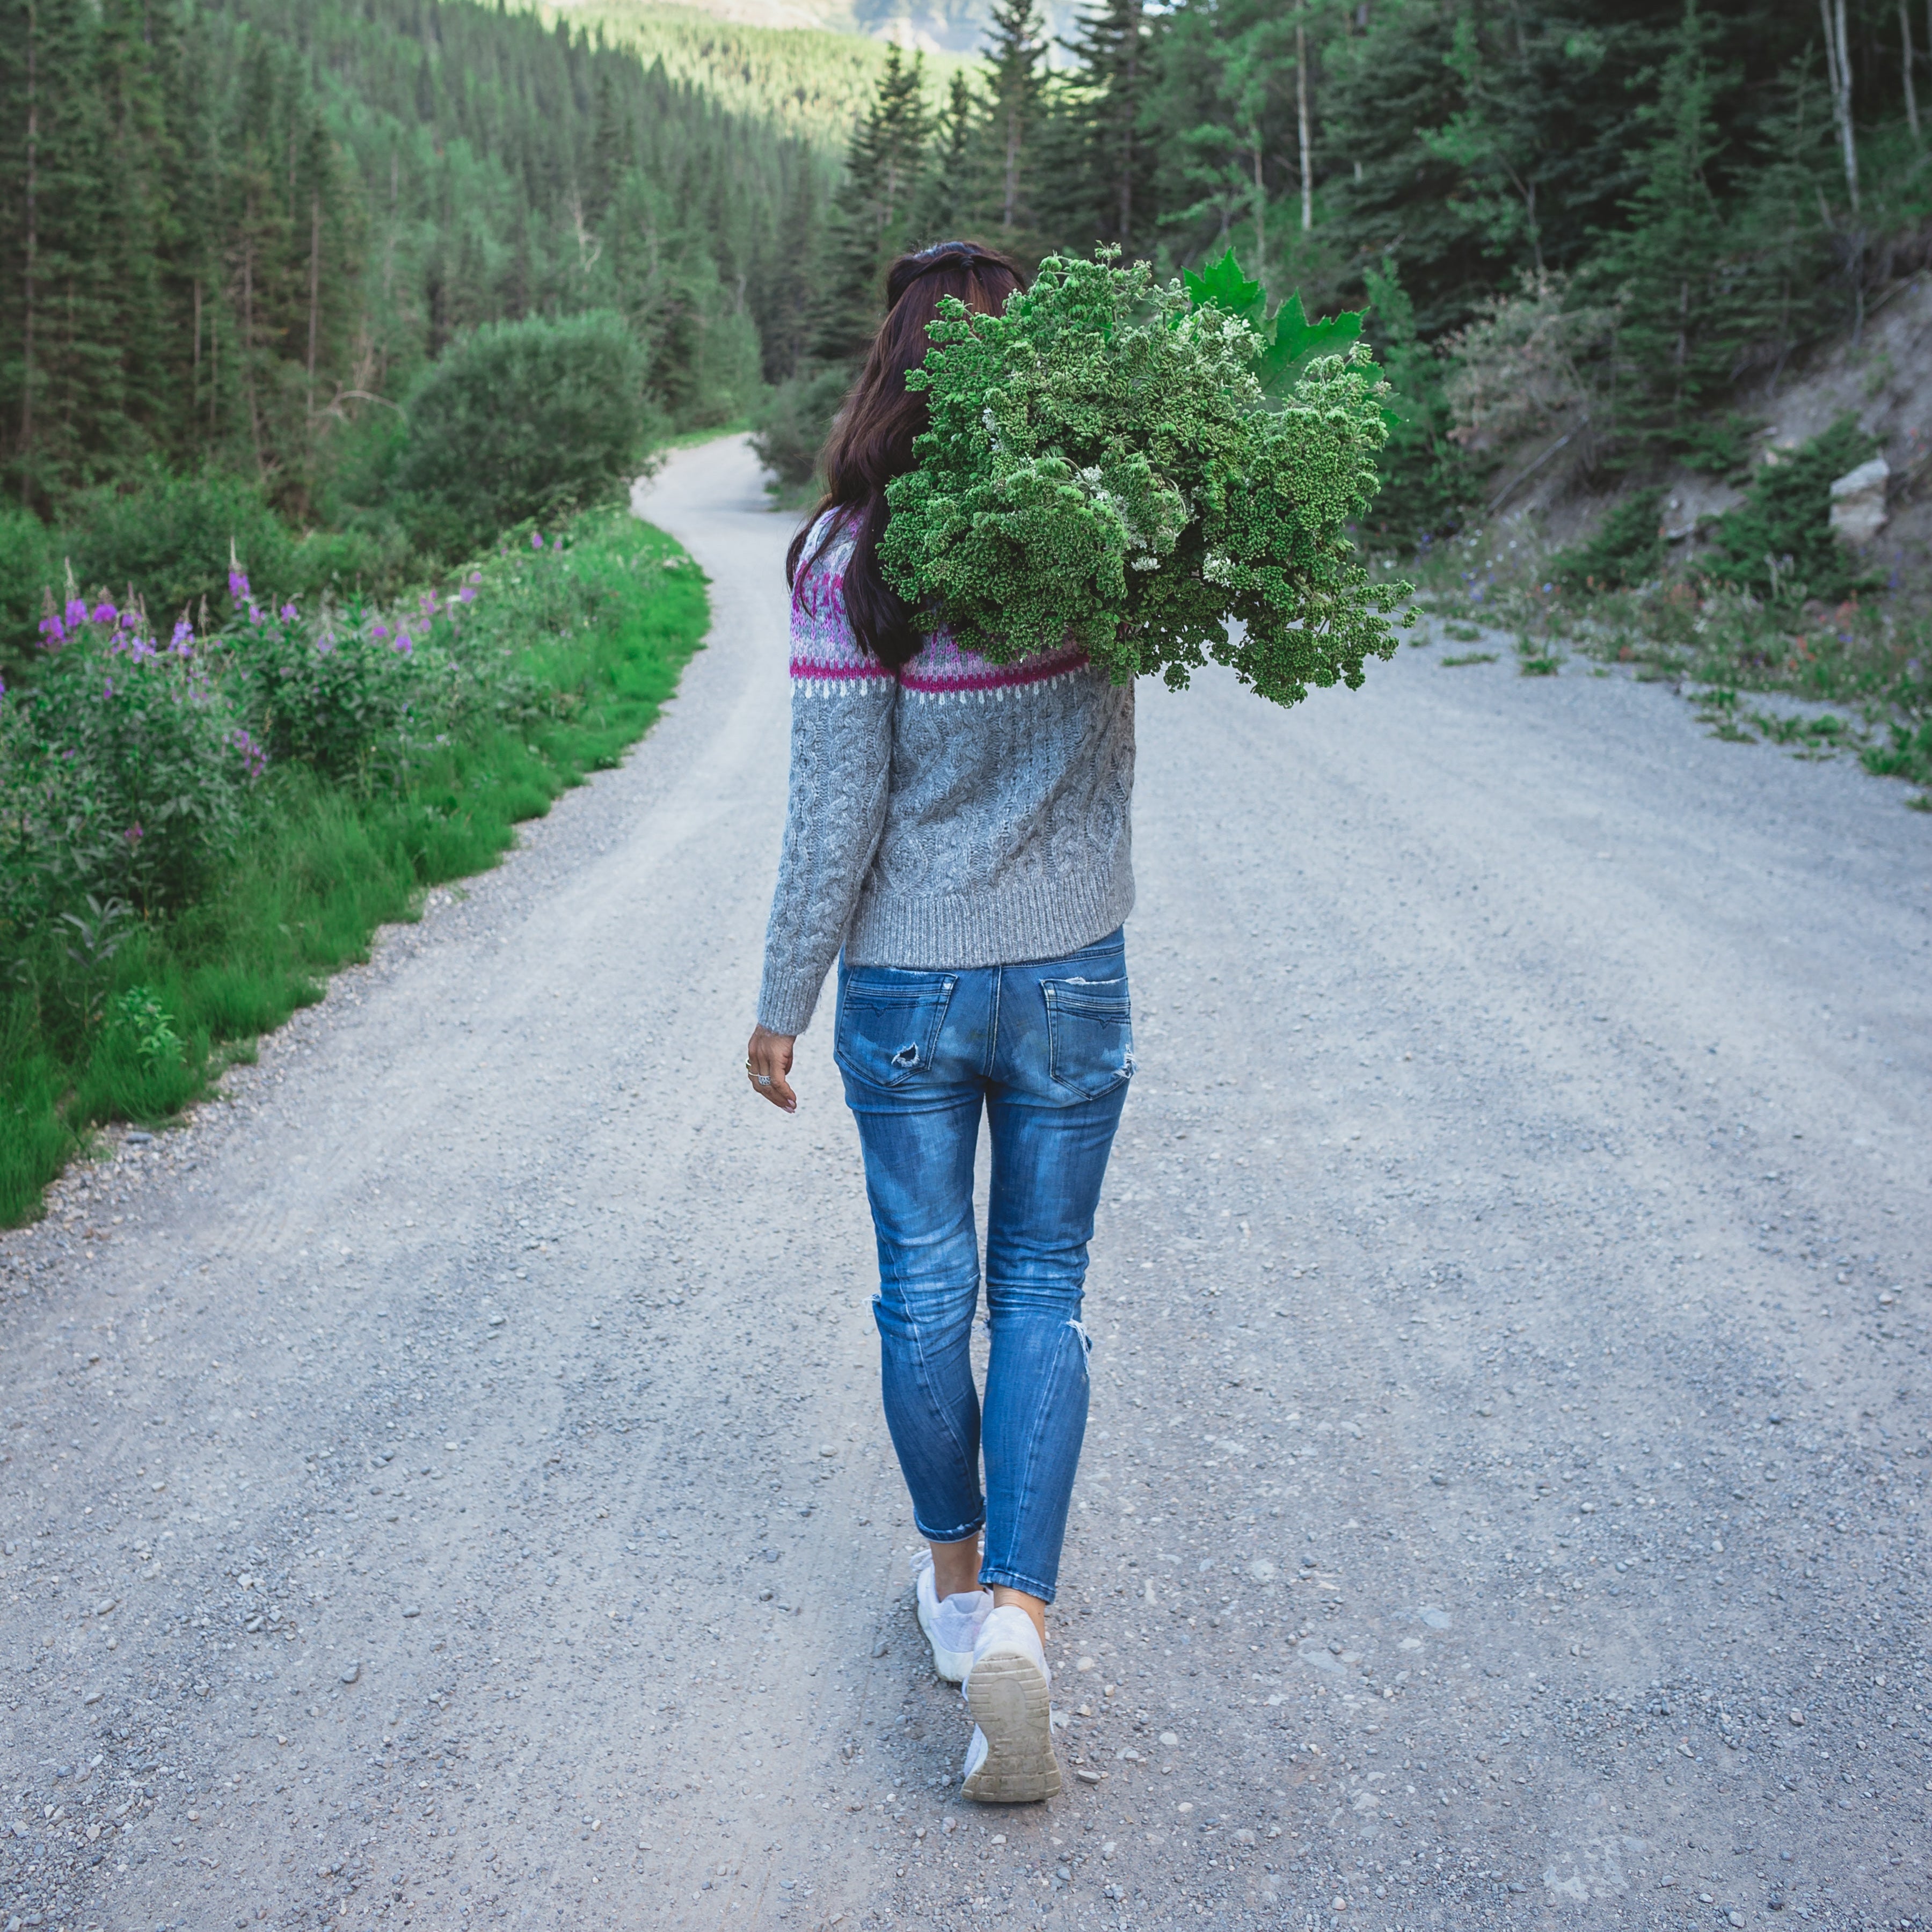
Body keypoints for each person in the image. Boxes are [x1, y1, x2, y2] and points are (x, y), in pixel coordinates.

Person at [743, 240, 1138, 1804]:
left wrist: (781, 1004)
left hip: (905, 984)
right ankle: (1025, 1628)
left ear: (891, 374)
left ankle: (962, 1589)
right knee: (1042, 1284)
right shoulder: (1106, 537)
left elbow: (829, 813)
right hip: (1070, 974)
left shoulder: (850, 555)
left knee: (924, 1288)